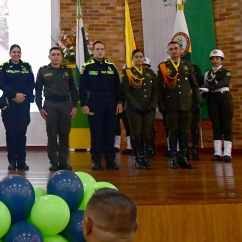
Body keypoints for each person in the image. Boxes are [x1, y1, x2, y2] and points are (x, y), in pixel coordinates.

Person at [156, 41, 201, 169]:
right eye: (171, 49)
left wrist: (197, 101)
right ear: (168, 52)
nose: (174, 51)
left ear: (181, 50)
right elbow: (159, 88)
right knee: (173, 131)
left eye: (176, 48)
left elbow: (194, 84)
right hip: (171, 104)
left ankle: (183, 157)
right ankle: (173, 157)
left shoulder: (187, 65)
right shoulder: (163, 66)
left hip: (186, 104)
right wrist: (160, 103)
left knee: (184, 131)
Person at [79, 41, 123, 170]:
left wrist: (120, 102)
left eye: (102, 49)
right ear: (93, 51)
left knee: (110, 131)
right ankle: (97, 160)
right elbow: (82, 88)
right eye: (97, 49)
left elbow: (118, 87)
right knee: (96, 132)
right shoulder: (87, 67)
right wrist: (84, 104)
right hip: (95, 102)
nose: (100, 51)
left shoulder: (111, 66)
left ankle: (110, 161)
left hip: (110, 101)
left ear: (104, 51)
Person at [35, 47, 78, 171]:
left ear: (61, 57)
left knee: (64, 134)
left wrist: (74, 106)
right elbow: (37, 91)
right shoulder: (43, 71)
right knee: (52, 135)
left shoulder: (67, 71)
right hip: (50, 105)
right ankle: (53, 162)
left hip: (65, 105)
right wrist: (40, 108)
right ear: (49, 57)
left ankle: (63, 161)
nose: (56, 57)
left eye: (58, 54)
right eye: (53, 54)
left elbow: (73, 90)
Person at [0, 44, 35, 170]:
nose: (16, 54)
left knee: (21, 134)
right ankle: (12, 161)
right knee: (11, 133)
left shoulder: (27, 66)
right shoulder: (4, 66)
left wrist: (22, 96)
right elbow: (2, 84)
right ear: (10, 54)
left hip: (23, 104)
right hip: (9, 104)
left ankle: (22, 161)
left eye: (18, 52)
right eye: (14, 52)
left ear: (21, 54)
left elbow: (31, 83)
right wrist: (14, 95)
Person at [121, 49, 158, 170]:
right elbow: (126, 91)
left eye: (141, 56)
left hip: (148, 108)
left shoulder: (149, 73)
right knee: (136, 133)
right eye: (136, 57)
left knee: (146, 134)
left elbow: (155, 91)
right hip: (134, 109)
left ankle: (144, 157)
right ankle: (137, 158)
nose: (139, 59)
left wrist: (152, 105)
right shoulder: (128, 73)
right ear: (132, 59)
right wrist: (136, 106)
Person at [202, 49, 234, 162]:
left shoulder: (226, 72)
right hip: (212, 99)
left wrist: (208, 88)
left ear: (222, 60)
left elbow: (223, 83)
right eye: (213, 59)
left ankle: (227, 153)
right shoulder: (207, 73)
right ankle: (217, 152)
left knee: (226, 125)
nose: (215, 61)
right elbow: (202, 83)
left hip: (224, 98)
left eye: (217, 58)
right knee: (216, 125)